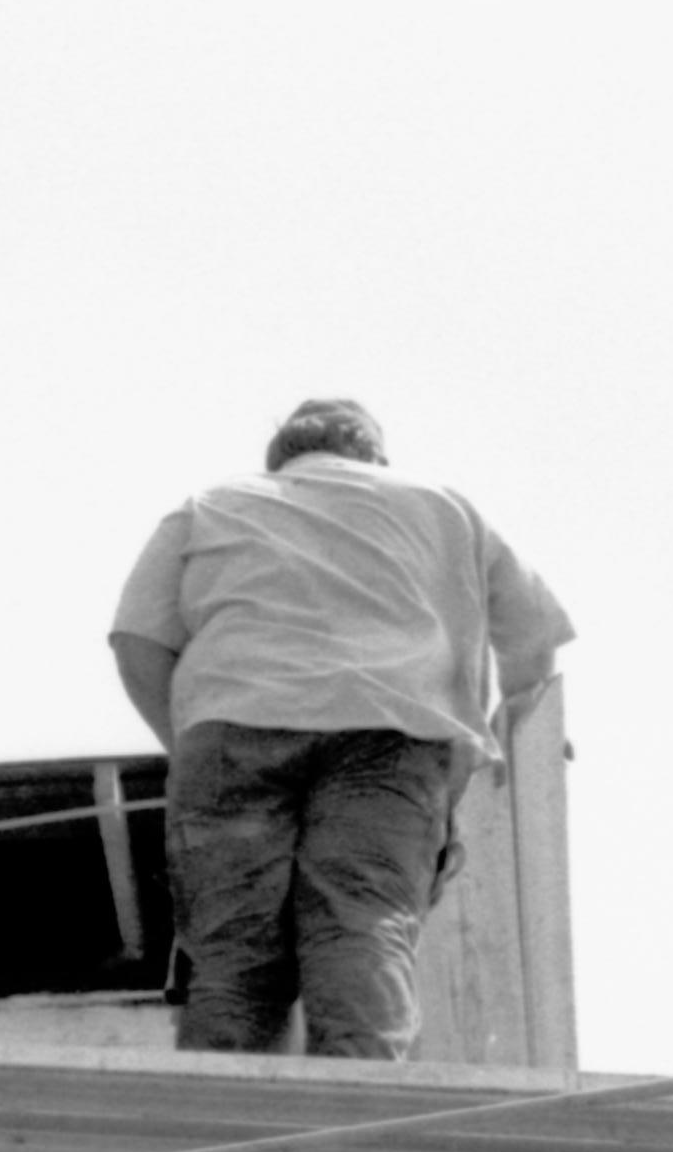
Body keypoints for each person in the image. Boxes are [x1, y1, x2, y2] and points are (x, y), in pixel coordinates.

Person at [109, 399, 571, 1058]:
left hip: (233, 730)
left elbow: (136, 641)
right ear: (373, 456)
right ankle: (357, 1111)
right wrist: (522, 722)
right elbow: (530, 640)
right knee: (361, 923)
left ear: (282, 462)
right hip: (391, 738)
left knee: (234, 955)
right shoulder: (443, 506)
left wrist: (191, 742)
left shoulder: (210, 505)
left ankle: (221, 1134)